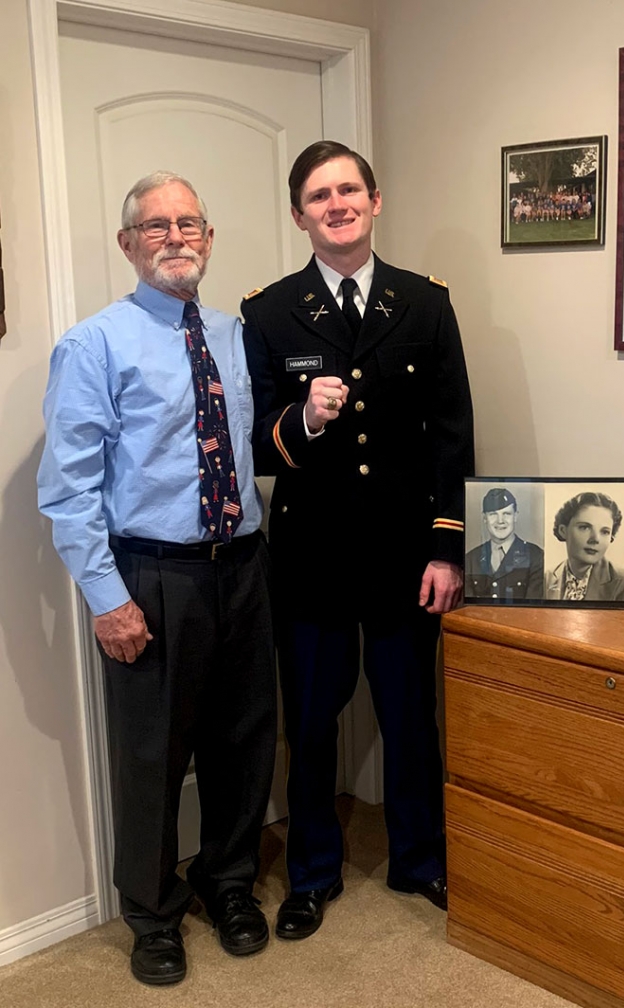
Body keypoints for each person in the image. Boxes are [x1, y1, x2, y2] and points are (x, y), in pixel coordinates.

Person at [37, 172, 277, 986]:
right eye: (156, 226)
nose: (175, 238)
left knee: (244, 741)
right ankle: (152, 911)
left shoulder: (238, 336)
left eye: (190, 224)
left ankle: (229, 880)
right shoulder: (93, 345)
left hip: (242, 566)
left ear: (208, 238)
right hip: (152, 574)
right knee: (152, 755)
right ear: (128, 243)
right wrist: (108, 599)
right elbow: (68, 491)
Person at [241, 141, 474, 939]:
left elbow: (453, 436)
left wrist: (447, 549)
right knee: (308, 728)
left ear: (376, 201)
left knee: (413, 720)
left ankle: (419, 858)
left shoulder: (425, 302)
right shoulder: (269, 311)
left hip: (409, 561)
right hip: (312, 564)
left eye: (348, 190)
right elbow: (257, 447)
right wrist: (304, 421)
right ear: (299, 214)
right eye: (317, 195)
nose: (335, 205)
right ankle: (310, 873)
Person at [546, 491, 624, 601]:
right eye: (585, 527)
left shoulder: (623, 583)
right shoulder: (545, 578)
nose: (595, 539)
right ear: (563, 530)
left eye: (605, 532)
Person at [465, 487, 543, 600]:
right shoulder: (471, 558)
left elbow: (533, 609)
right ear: (484, 518)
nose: (500, 521)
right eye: (493, 514)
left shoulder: (536, 556)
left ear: (515, 516)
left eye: (506, 514)